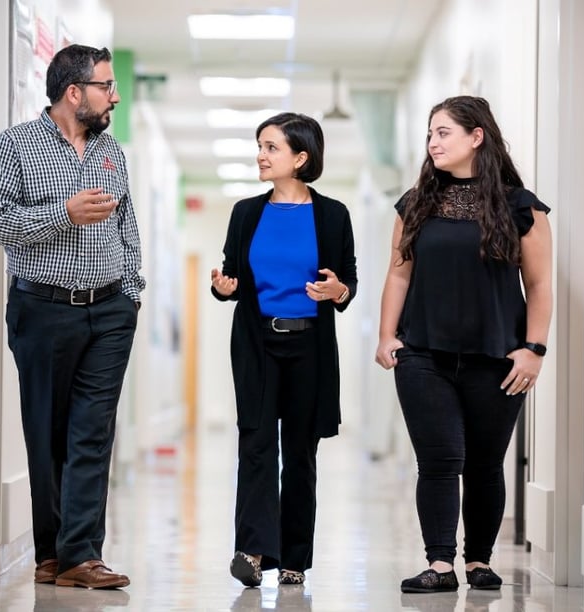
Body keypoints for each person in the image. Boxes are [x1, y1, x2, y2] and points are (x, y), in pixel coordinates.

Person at [375, 96, 552, 593]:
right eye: (430, 134)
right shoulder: (416, 204)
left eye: (443, 132)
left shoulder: (522, 207)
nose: (432, 142)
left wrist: (533, 350)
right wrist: (388, 336)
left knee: (483, 464)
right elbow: (398, 273)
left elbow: (539, 285)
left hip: (498, 358)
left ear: (477, 136)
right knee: (438, 461)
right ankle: (439, 563)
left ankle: (479, 561)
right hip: (424, 354)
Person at [0, 44, 144, 590]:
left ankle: (82, 555)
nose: (114, 96)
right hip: (42, 309)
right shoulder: (15, 146)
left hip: (110, 310)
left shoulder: (111, 152)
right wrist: (64, 213)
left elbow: (128, 224)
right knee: (46, 433)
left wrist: (132, 291)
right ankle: (52, 554)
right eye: (106, 86)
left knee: (92, 434)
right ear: (74, 92)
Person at [210, 112, 357, 587]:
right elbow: (231, 277)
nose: (261, 155)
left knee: (299, 454)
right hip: (256, 343)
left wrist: (338, 291)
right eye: (260, 146)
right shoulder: (245, 213)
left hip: (309, 346)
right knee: (255, 445)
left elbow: (347, 282)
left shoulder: (333, 214)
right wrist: (223, 286)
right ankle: (252, 552)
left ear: (300, 157)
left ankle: (294, 559)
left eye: (271, 147)